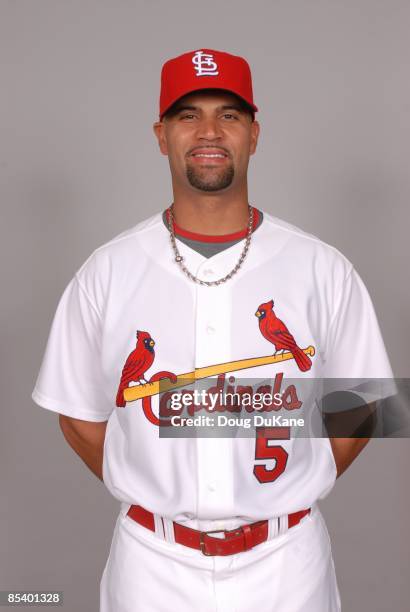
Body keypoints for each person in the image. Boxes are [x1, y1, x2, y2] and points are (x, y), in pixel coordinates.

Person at [32, 48, 394, 611]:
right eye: (187, 115)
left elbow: (365, 405)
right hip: (151, 566)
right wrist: (151, 481)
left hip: (286, 568)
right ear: (160, 135)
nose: (208, 131)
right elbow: (77, 415)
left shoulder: (321, 266)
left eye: (228, 114)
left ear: (254, 133)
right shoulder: (107, 271)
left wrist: (297, 480)